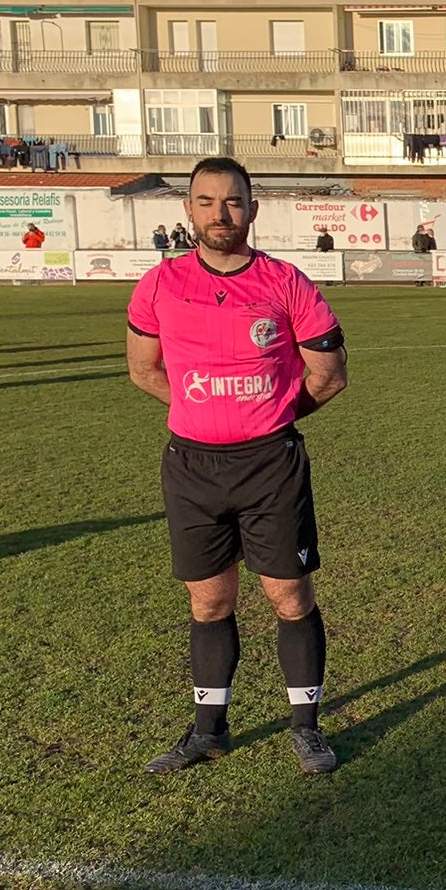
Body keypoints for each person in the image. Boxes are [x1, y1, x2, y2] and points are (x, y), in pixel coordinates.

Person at [125, 157, 349, 776]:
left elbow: (329, 377)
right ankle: (207, 729)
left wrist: (268, 411)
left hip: (268, 464)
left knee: (288, 594)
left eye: (231, 202)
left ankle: (306, 728)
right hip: (192, 467)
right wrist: (205, 407)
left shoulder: (286, 282)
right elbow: (143, 368)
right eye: (205, 202)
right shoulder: (160, 283)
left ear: (252, 209)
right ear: (188, 210)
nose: (219, 214)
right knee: (208, 602)